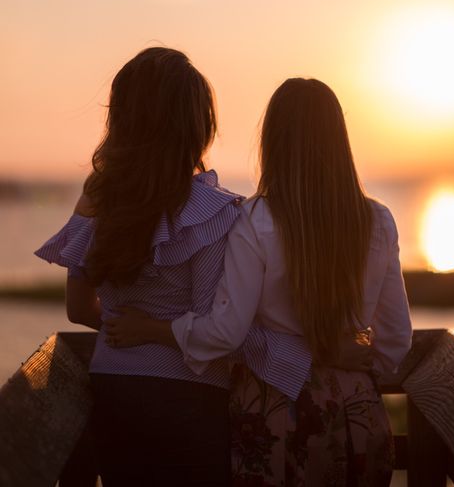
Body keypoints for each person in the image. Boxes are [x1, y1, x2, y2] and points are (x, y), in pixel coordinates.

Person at [107, 78, 412, 486]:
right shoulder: (378, 221)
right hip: (356, 412)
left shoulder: (256, 220)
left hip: (275, 408)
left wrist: (149, 328)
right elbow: (396, 340)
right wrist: (341, 356)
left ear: (273, 141)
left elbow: (225, 334)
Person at [35, 47, 244, 486]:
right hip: (190, 398)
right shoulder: (213, 209)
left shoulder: (97, 199)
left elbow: (78, 309)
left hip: (114, 387)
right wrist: (160, 333)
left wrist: (126, 331)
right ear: (196, 123)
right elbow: (213, 330)